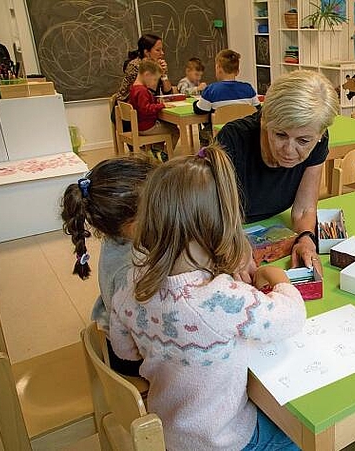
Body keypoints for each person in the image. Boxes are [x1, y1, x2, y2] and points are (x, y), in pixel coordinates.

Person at [109, 146, 306, 451]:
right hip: (223, 440)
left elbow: (125, 351)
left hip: (168, 431)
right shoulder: (221, 299)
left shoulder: (130, 284)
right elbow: (292, 317)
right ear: (221, 228)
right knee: (297, 434)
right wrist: (279, 279)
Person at [215, 70, 339, 281]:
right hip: (227, 227)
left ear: (320, 135)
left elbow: (304, 209)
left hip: (271, 234)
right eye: (280, 134)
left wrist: (306, 238)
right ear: (264, 121)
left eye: (303, 141)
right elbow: (213, 212)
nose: (289, 151)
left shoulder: (319, 140)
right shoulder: (233, 139)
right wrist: (233, 244)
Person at [60, 157, 154, 376]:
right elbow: (148, 337)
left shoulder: (118, 237)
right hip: (129, 356)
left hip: (114, 328)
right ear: (133, 224)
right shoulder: (131, 270)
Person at [128, 60, 180, 161]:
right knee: (175, 130)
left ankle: (156, 152)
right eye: (155, 79)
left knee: (166, 126)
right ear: (147, 75)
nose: (155, 83)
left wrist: (156, 102)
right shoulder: (141, 90)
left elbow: (143, 105)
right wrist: (162, 105)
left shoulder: (134, 88)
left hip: (141, 125)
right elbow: (146, 109)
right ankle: (164, 156)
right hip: (147, 127)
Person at [193, 49, 260, 114]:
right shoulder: (248, 89)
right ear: (237, 72)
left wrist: (195, 103)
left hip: (221, 125)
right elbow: (258, 109)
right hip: (244, 125)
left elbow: (200, 110)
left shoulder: (211, 90)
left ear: (218, 69)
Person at [116, 34, 173, 103]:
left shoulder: (156, 65)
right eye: (158, 50)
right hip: (127, 107)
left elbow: (168, 94)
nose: (162, 53)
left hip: (145, 104)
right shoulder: (135, 66)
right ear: (146, 52)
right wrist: (157, 72)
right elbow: (145, 93)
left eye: (162, 50)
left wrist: (164, 75)